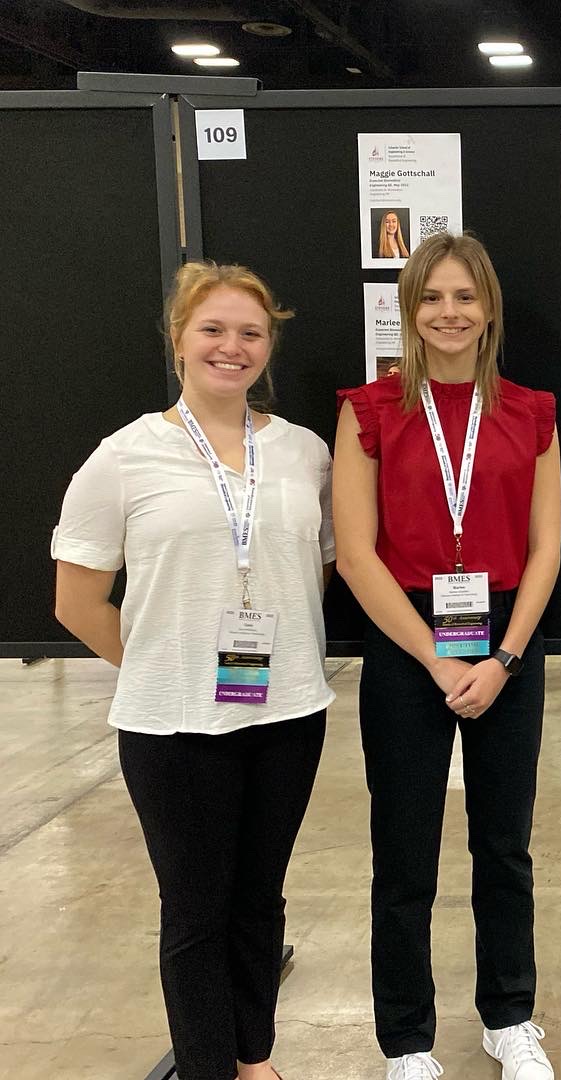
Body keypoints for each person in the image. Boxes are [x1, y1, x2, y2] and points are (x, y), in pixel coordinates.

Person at [52, 262, 336, 1080]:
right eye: (212, 329)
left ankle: (254, 1059)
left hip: (286, 715)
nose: (230, 347)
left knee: (260, 900)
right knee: (195, 910)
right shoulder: (125, 456)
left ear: (269, 345)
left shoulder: (303, 453)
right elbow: (77, 602)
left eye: (250, 332)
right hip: (172, 726)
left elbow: (313, 570)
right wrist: (163, 664)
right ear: (179, 338)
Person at [334, 231, 561, 1080]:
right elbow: (355, 554)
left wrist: (504, 658)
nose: (449, 312)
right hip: (407, 637)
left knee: (504, 846)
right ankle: (407, 1041)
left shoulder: (531, 413)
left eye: (465, 296)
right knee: (403, 853)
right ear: (409, 309)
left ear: (489, 307)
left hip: (504, 637)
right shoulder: (369, 410)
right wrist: (434, 660)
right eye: (431, 297)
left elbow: (546, 549)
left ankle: (510, 1018)